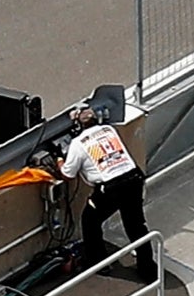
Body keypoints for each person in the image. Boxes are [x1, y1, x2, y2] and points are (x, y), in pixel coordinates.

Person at [53, 116, 156, 283]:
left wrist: (59, 158)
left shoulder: (78, 144)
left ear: (78, 127)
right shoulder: (109, 130)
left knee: (90, 220)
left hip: (111, 187)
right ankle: (149, 270)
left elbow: (67, 174)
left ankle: (98, 263)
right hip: (133, 178)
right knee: (135, 225)